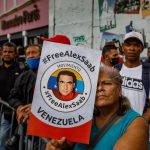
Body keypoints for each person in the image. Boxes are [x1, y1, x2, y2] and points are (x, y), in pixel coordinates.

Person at [46, 66, 148, 150]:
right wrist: (57, 146)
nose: (99, 88)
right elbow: (67, 145)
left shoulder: (136, 123)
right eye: (95, 85)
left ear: (119, 91)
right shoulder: (82, 118)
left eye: (107, 83)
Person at [114, 31, 150, 147]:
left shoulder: (148, 72)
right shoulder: (115, 71)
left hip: (139, 130)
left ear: (141, 48)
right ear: (123, 47)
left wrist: (138, 125)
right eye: (128, 45)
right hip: (115, 128)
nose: (132, 48)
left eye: (136, 45)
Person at [0, 42, 23, 150]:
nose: (7, 54)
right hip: (0, 109)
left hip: (10, 112)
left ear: (15, 54)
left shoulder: (21, 70)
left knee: (4, 140)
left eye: (10, 52)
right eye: (5, 51)